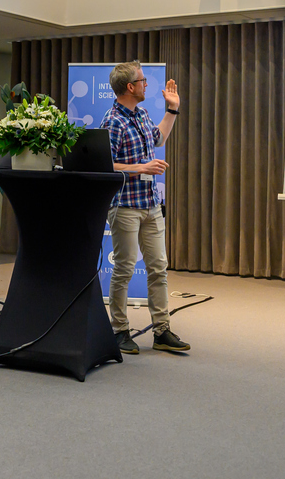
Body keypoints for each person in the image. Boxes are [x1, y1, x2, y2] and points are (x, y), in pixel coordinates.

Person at [100, 60, 189, 354]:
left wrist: (172, 110)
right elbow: (103, 166)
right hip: (125, 206)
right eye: (142, 81)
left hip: (151, 204)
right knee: (124, 269)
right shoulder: (113, 121)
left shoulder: (141, 114)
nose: (146, 85)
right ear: (130, 87)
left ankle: (161, 331)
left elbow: (158, 137)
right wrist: (141, 167)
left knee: (158, 268)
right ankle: (119, 331)